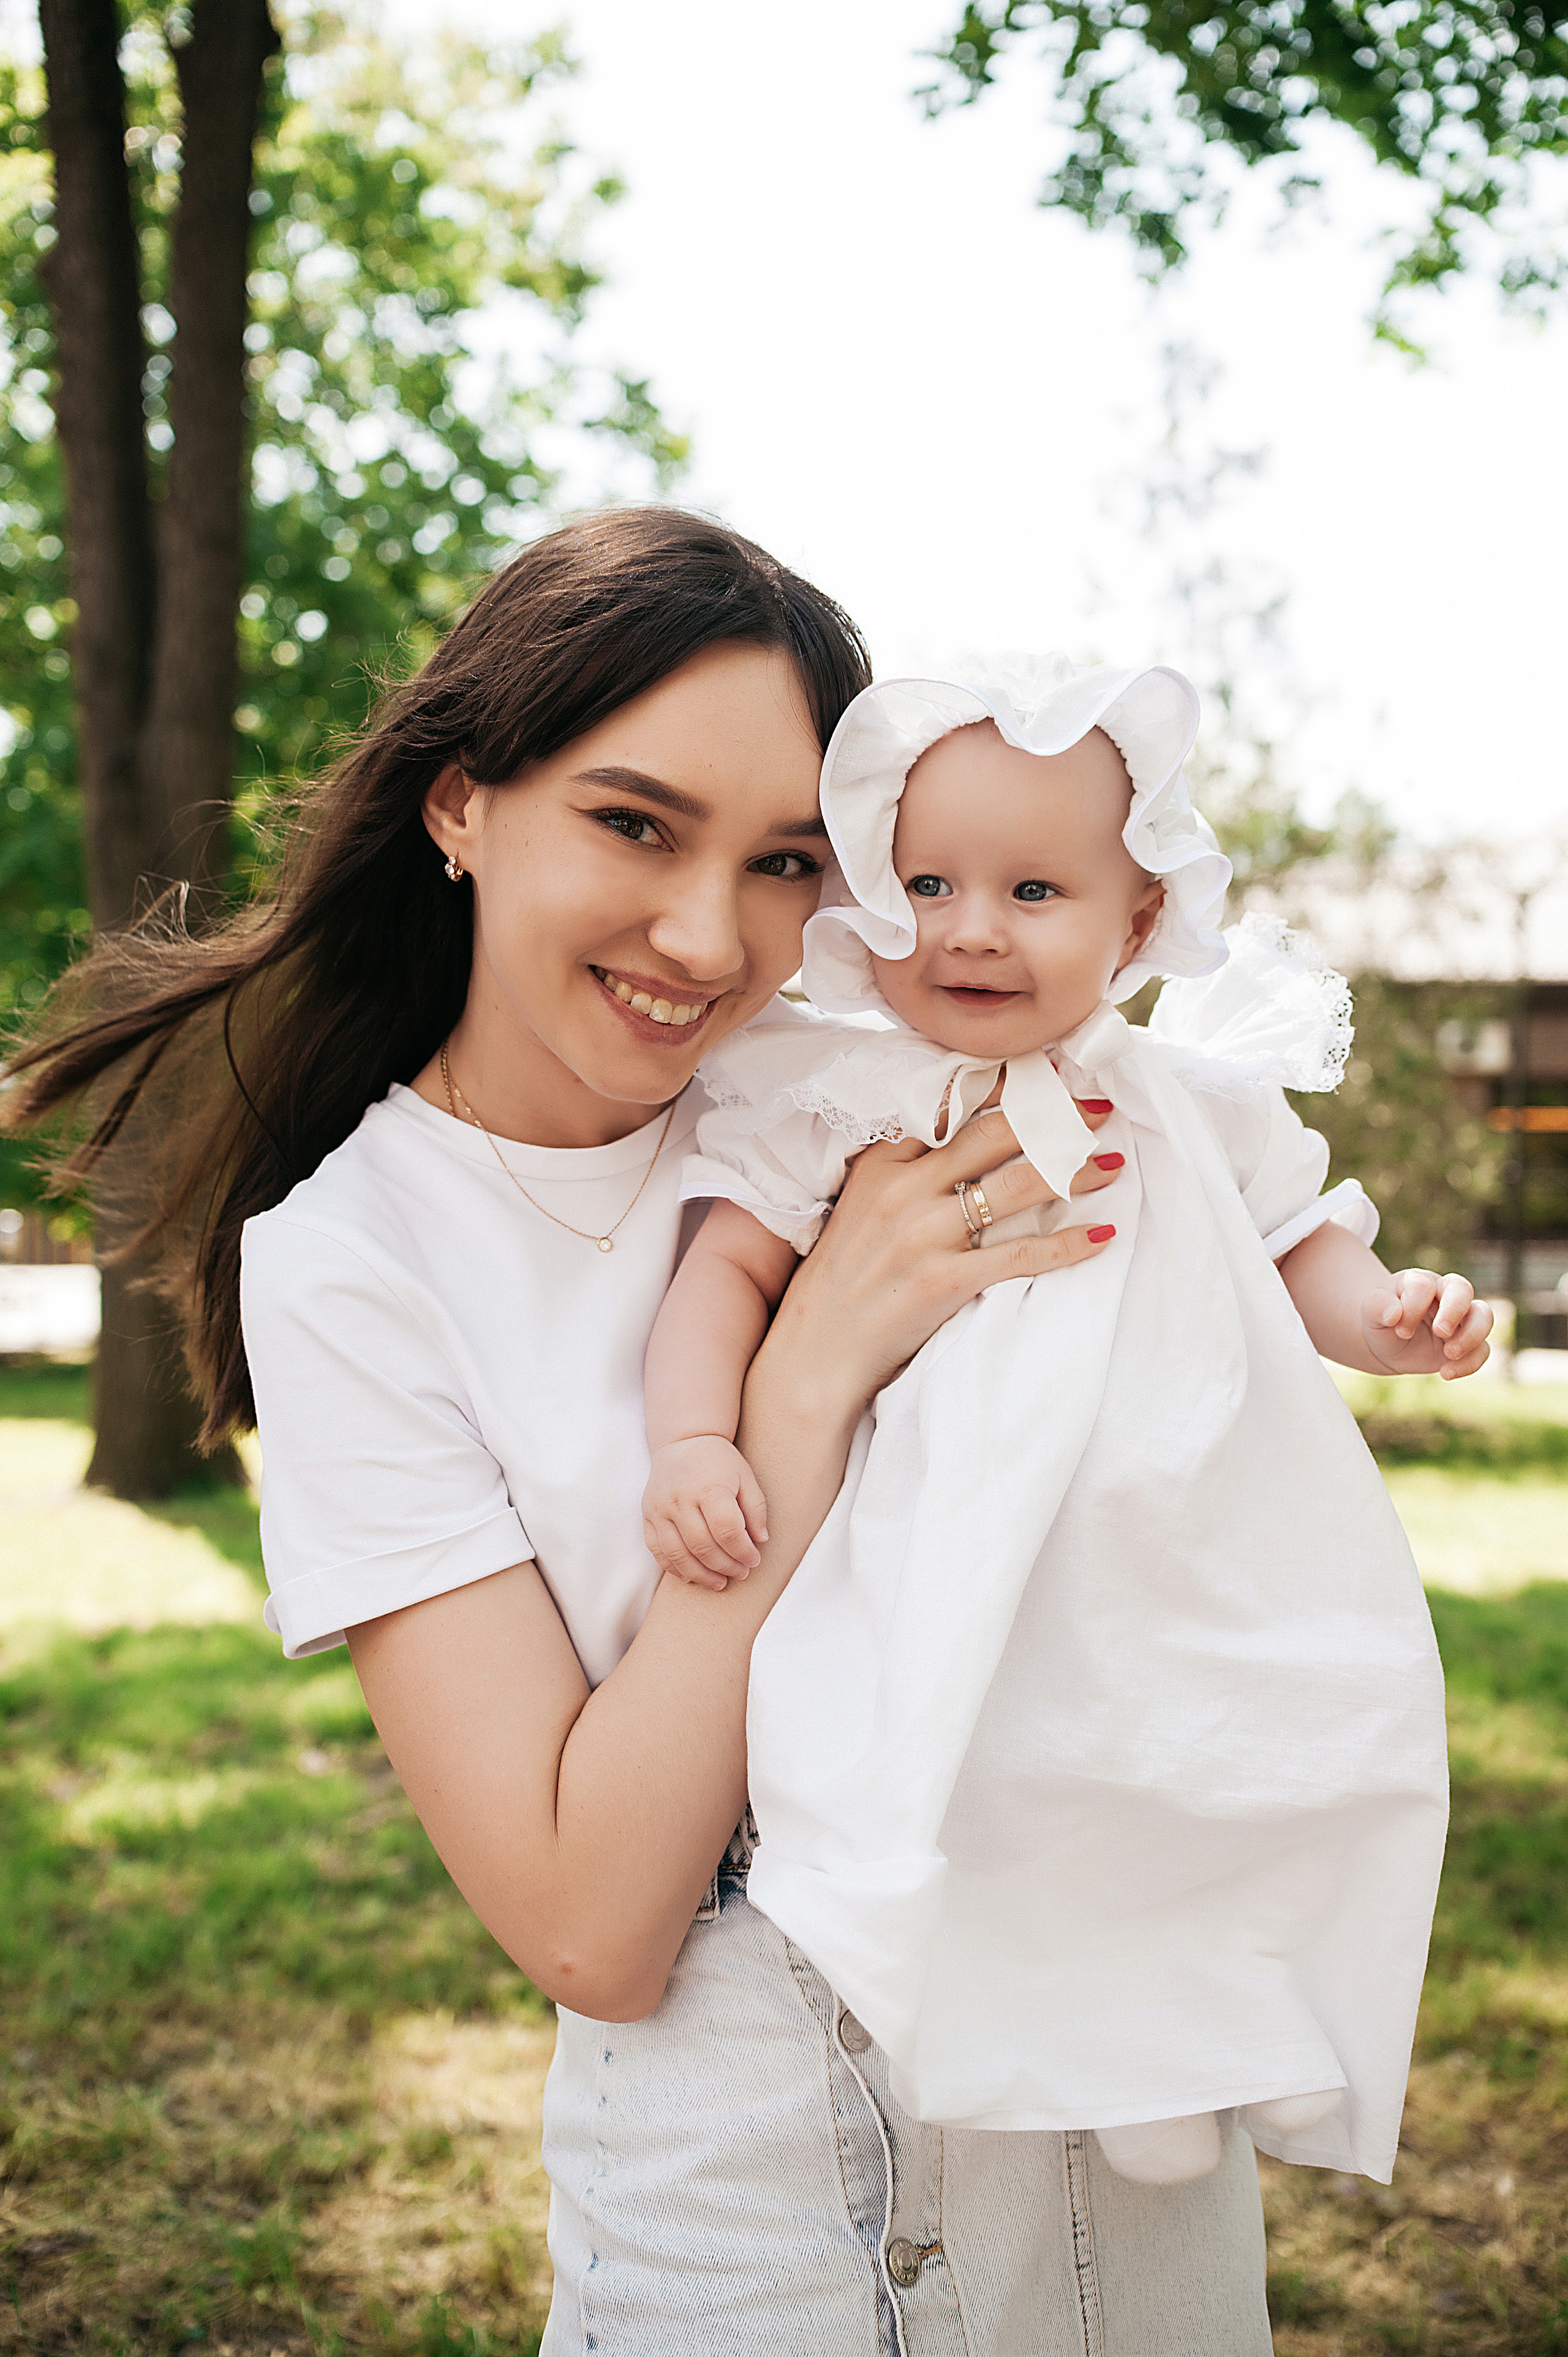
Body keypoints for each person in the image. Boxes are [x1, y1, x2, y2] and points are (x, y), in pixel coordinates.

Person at [6, 516, 1280, 2355]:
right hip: (754, 2170)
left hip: (1103, 2069)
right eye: (633, 823)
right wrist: (796, 1390)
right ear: (462, 807)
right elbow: (594, 1925)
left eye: (784, 862)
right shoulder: (356, 1262)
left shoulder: (879, 1091)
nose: (709, 936)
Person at [640, 657, 1485, 2192]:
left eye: (1033, 888)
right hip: (959, 1517)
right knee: (1001, 1763)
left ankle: (1192, 2040)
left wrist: (1389, 1318)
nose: (970, 925)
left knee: (1201, 1746)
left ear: (1139, 919)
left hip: (1174, 1509)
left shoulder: (1190, 1097)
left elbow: (1304, 1247)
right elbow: (722, 1271)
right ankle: (1031, 2027)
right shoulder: (838, 1094)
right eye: (928, 883)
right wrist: (696, 1436)